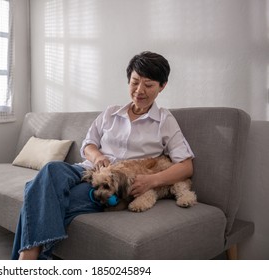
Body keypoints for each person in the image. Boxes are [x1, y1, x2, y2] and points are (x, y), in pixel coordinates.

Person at [11, 51, 194, 260]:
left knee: (37, 193)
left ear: (162, 86)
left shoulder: (164, 120)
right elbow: (88, 144)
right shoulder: (110, 113)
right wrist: (97, 157)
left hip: (116, 185)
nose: (139, 90)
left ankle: (27, 260)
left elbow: (186, 166)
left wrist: (151, 181)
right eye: (135, 82)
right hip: (89, 170)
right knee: (51, 169)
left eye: (149, 85)